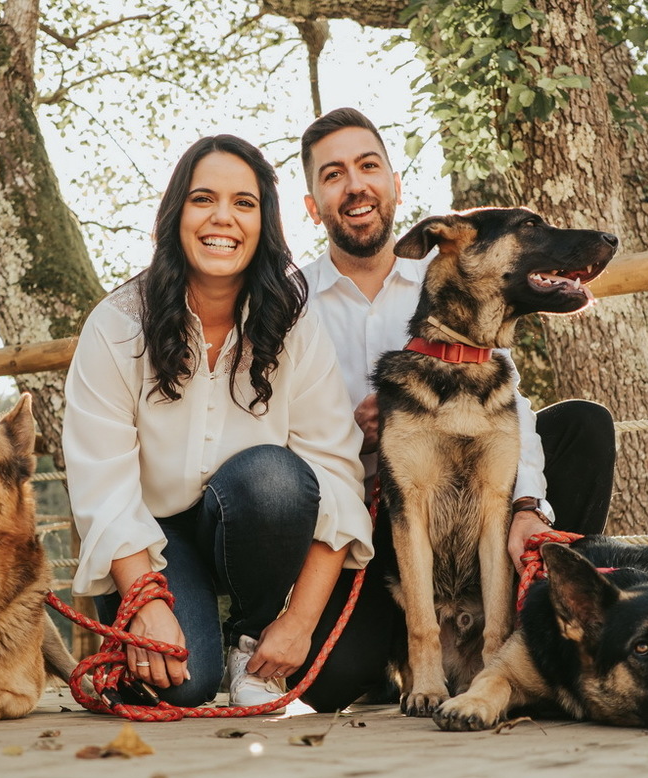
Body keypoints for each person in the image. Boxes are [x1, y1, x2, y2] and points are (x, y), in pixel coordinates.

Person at [63, 134, 397, 713]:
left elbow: (337, 480)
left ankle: (250, 640)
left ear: (264, 223)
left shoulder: (296, 327)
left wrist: (298, 623)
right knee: (184, 685)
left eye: (244, 203)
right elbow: (104, 485)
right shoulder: (116, 326)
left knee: (275, 478)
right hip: (150, 537)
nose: (223, 218)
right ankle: (163, 637)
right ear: (176, 214)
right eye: (203, 199)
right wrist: (145, 601)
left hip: (255, 526)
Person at [297, 108, 616, 564]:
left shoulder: (453, 275)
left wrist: (528, 506)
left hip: (471, 499)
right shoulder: (290, 301)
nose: (355, 185)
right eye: (333, 175)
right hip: (356, 520)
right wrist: (352, 434)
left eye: (368, 166)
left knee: (583, 426)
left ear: (396, 186)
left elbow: (509, 403)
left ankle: (557, 588)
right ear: (313, 207)